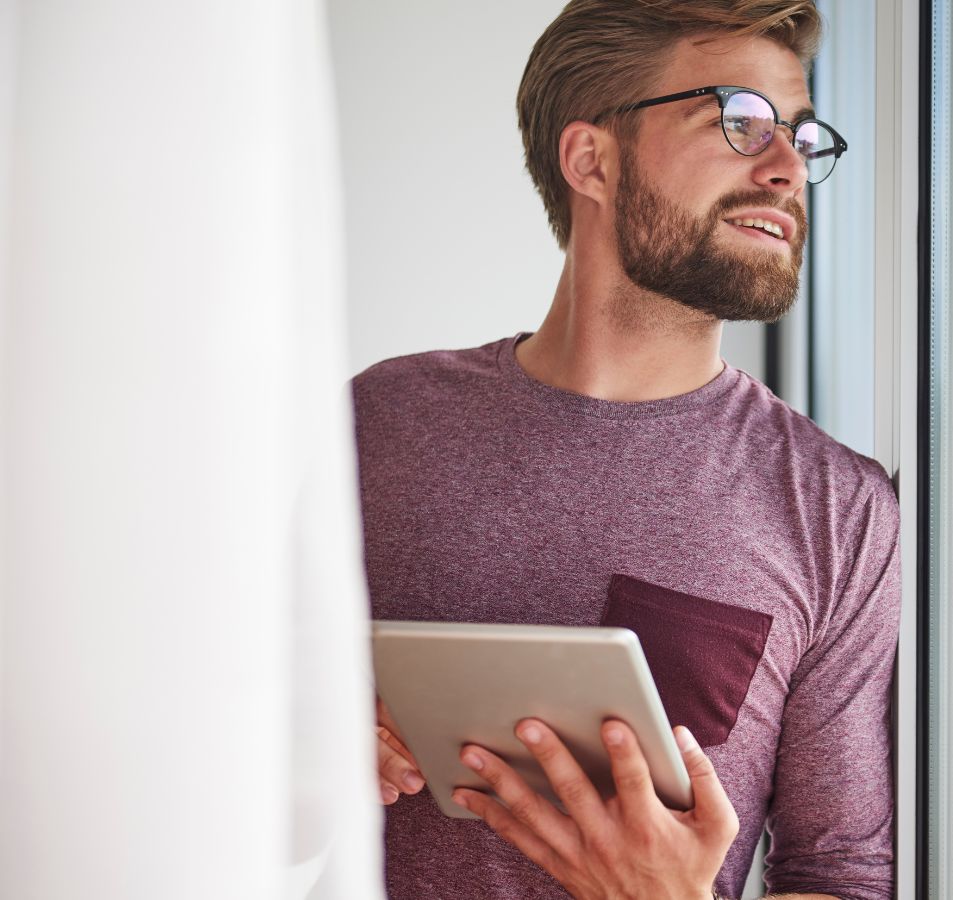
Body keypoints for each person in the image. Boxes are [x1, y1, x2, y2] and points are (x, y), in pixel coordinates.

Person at [352, 2, 898, 898]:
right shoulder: (375, 423)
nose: (787, 167)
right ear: (591, 160)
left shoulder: (841, 509)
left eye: (801, 136)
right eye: (740, 120)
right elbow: (206, 716)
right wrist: (306, 755)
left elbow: (842, 874)